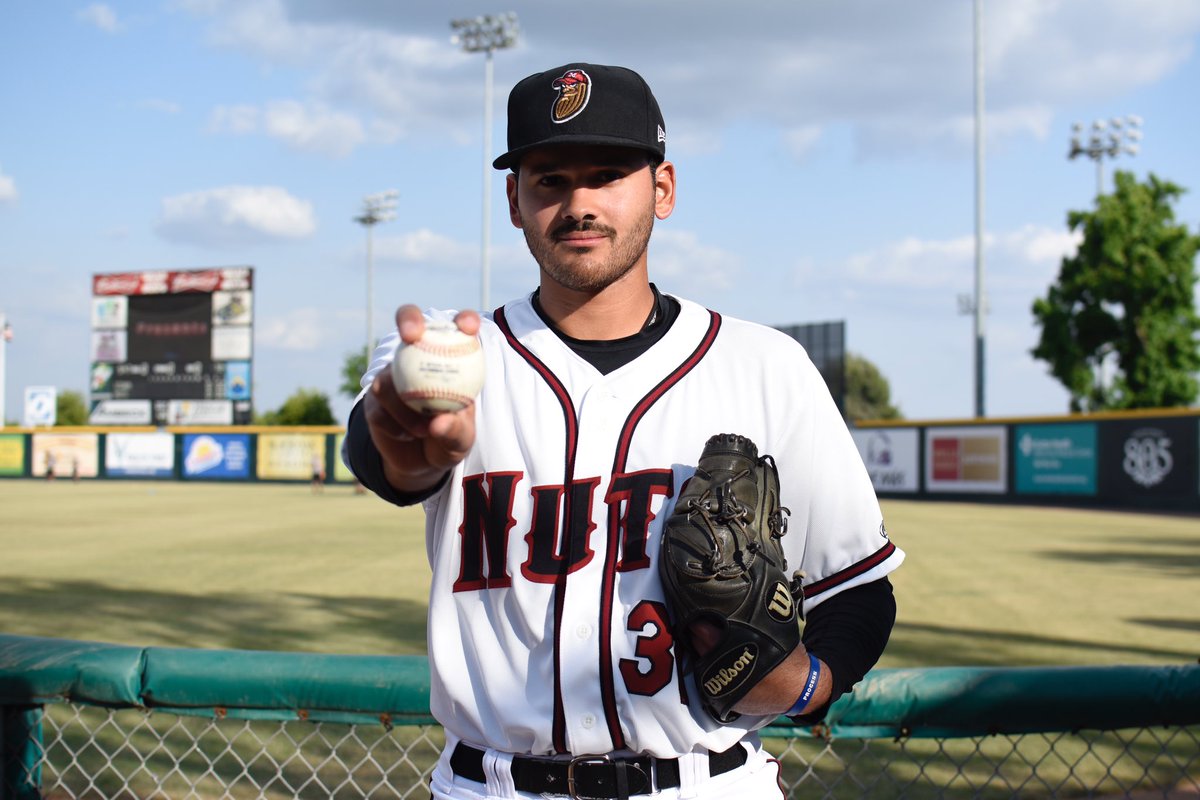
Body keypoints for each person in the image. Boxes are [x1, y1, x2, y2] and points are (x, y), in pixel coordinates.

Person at [344, 62, 904, 800]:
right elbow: (386, 454)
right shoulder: (444, 358)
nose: (578, 204)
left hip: (704, 785)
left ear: (662, 189)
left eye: (608, 175)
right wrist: (408, 448)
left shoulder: (765, 366)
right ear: (514, 199)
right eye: (549, 180)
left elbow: (857, 588)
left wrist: (806, 688)